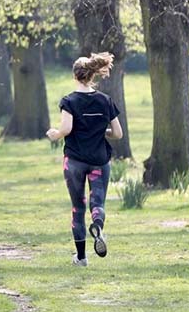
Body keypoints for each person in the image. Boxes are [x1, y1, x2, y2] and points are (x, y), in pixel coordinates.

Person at [46, 52, 123, 267]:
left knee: (77, 207)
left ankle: (81, 258)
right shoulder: (105, 101)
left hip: (75, 162)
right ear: (92, 75)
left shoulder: (69, 101)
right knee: (97, 202)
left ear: (75, 76)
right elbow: (118, 134)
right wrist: (102, 132)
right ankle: (97, 225)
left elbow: (67, 128)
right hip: (99, 160)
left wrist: (55, 134)